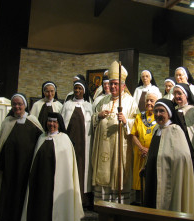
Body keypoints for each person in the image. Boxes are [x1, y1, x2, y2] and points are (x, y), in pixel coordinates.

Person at [0, 93, 43, 221]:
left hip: (25, 170)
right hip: (9, 170)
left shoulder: (33, 122)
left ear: (25, 105)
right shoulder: (7, 123)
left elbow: (41, 145)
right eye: (14, 104)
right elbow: (0, 146)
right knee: (7, 197)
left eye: (20, 104)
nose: (17, 106)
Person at [20, 112, 84, 221]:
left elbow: (68, 168)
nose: (52, 124)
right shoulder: (41, 137)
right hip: (41, 183)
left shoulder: (65, 140)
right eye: (50, 121)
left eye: (55, 122)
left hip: (58, 183)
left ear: (59, 124)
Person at [92, 61, 138, 204]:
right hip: (104, 148)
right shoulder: (102, 100)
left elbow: (137, 125)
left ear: (123, 85)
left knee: (118, 177)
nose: (112, 86)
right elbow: (93, 119)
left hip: (120, 148)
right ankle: (103, 206)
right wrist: (98, 116)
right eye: (111, 83)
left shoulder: (130, 102)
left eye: (116, 84)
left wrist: (126, 121)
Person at [143, 98, 194, 214]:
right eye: (156, 111)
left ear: (169, 114)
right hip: (153, 175)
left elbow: (183, 157)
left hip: (169, 176)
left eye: (162, 111)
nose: (158, 114)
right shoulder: (157, 129)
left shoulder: (175, 130)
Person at [61, 78, 93, 208]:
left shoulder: (89, 106)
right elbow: (62, 123)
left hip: (85, 145)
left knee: (83, 170)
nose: (77, 91)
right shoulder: (67, 105)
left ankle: (84, 199)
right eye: (76, 88)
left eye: (80, 89)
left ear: (84, 91)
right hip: (71, 143)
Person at [130, 92, 158, 204]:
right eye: (147, 100)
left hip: (153, 154)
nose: (149, 103)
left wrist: (150, 151)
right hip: (140, 154)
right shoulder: (139, 117)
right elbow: (133, 135)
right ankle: (139, 202)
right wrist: (141, 148)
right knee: (139, 179)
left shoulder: (159, 115)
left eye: (152, 100)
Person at [173, 83, 194, 152]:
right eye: (175, 94)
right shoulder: (173, 111)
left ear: (186, 95)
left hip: (192, 144)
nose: (177, 96)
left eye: (179, 93)